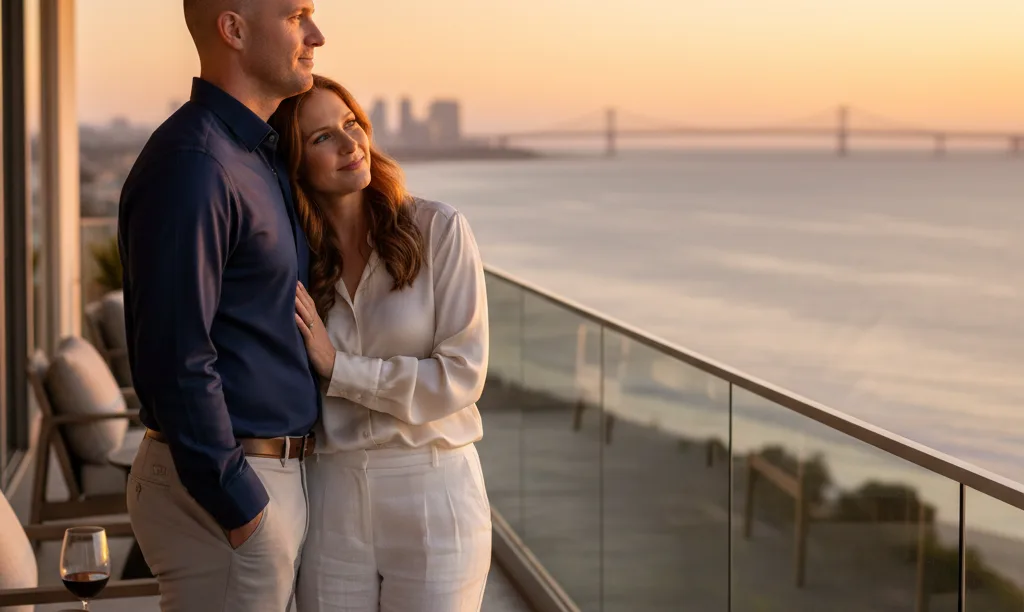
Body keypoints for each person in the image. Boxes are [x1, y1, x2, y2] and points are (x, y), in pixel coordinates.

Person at [117, 1, 325, 610]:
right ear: (232, 30)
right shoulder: (196, 164)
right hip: (228, 489)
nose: (317, 34)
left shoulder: (255, 156)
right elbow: (176, 354)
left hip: (267, 479)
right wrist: (238, 502)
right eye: (297, 16)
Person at [268, 75, 492, 612]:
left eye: (351, 125)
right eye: (322, 138)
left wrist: (338, 366)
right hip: (330, 493)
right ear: (295, 162)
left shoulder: (440, 231)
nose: (350, 145)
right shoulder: (290, 259)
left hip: (433, 491)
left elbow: (461, 376)